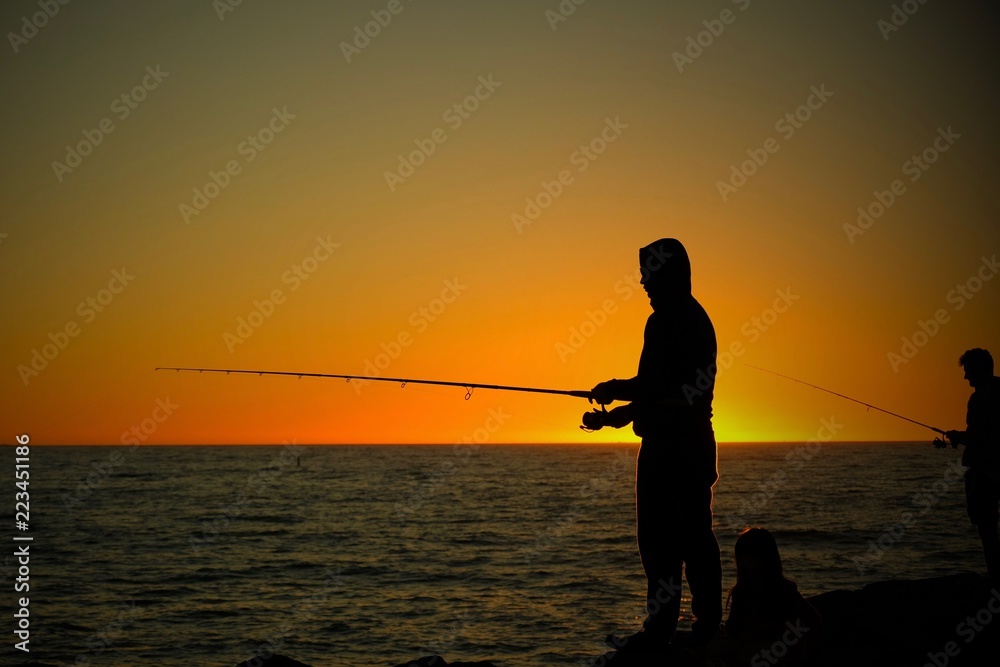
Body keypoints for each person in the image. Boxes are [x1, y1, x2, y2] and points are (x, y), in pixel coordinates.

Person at [585, 238, 722, 653]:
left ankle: (663, 631)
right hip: (693, 446)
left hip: (669, 452)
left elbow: (653, 388)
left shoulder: (666, 321)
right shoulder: (693, 317)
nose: (642, 281)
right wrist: (615, 417)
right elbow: (665, 394)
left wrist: (612, 388)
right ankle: (705, 627)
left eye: (648, 272)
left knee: (662, 544)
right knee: (694, 538)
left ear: (666, 273)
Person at [724, 527, 822, 666]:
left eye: (750, 558)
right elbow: (734, 627)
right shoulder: (741, 592)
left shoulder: (783, 591)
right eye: (740, 558)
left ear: (767, 560)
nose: (743, 563)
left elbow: (813, 620)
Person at [945, 348, 1000, 584]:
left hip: (984, 473)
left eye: (968, 371)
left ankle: (996, 580)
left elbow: (977, 436)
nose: (966, 377)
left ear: (979, 369)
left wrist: (957, 436)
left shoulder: (979, 397)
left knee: (987, 529)